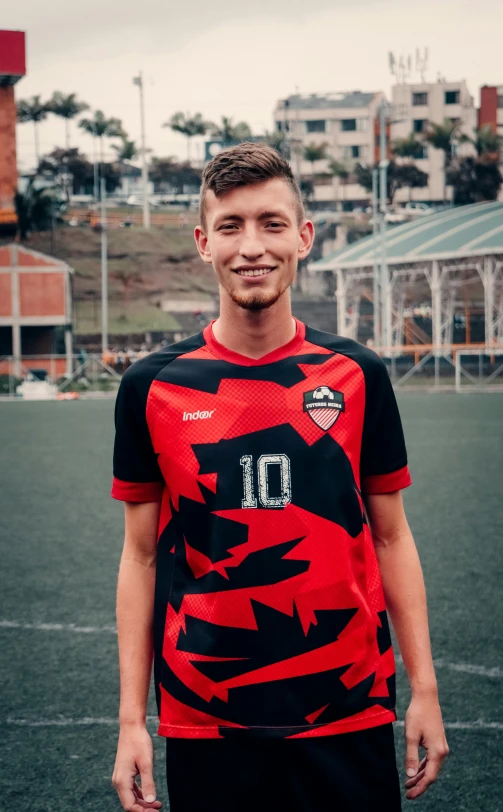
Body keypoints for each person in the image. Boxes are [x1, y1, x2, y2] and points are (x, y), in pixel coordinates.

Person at [110, 143, 448, 812]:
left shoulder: (357, 375)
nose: (251, 246)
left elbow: (390, 539)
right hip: (208, 712)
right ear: (204, 244)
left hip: (346, 705)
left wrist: (426, 691)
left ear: (303, 237)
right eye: (230, 226)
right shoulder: (152, 386)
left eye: (270, 223)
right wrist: (130, 723)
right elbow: (141, 554)